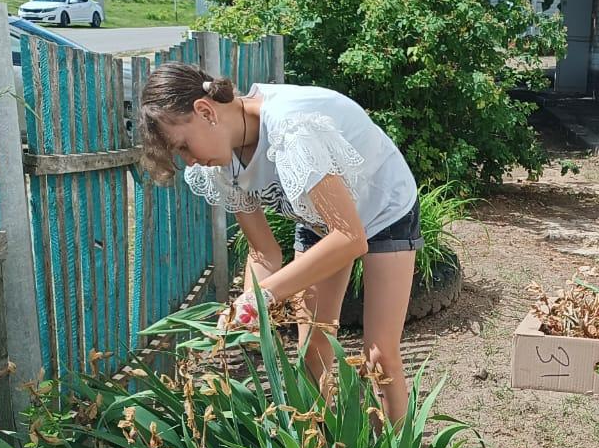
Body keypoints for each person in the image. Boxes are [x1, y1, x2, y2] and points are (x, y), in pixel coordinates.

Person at [138, 64, 421, 423]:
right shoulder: (223, 162)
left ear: (205, 111)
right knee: (312, 349)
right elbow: (264, 253)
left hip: (383, 209)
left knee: (379, 354)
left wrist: (266, 295)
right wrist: (245, 307)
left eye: (183, 147)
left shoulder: (290, 129)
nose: (190, 160)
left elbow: (350, 239)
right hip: (321, 219)